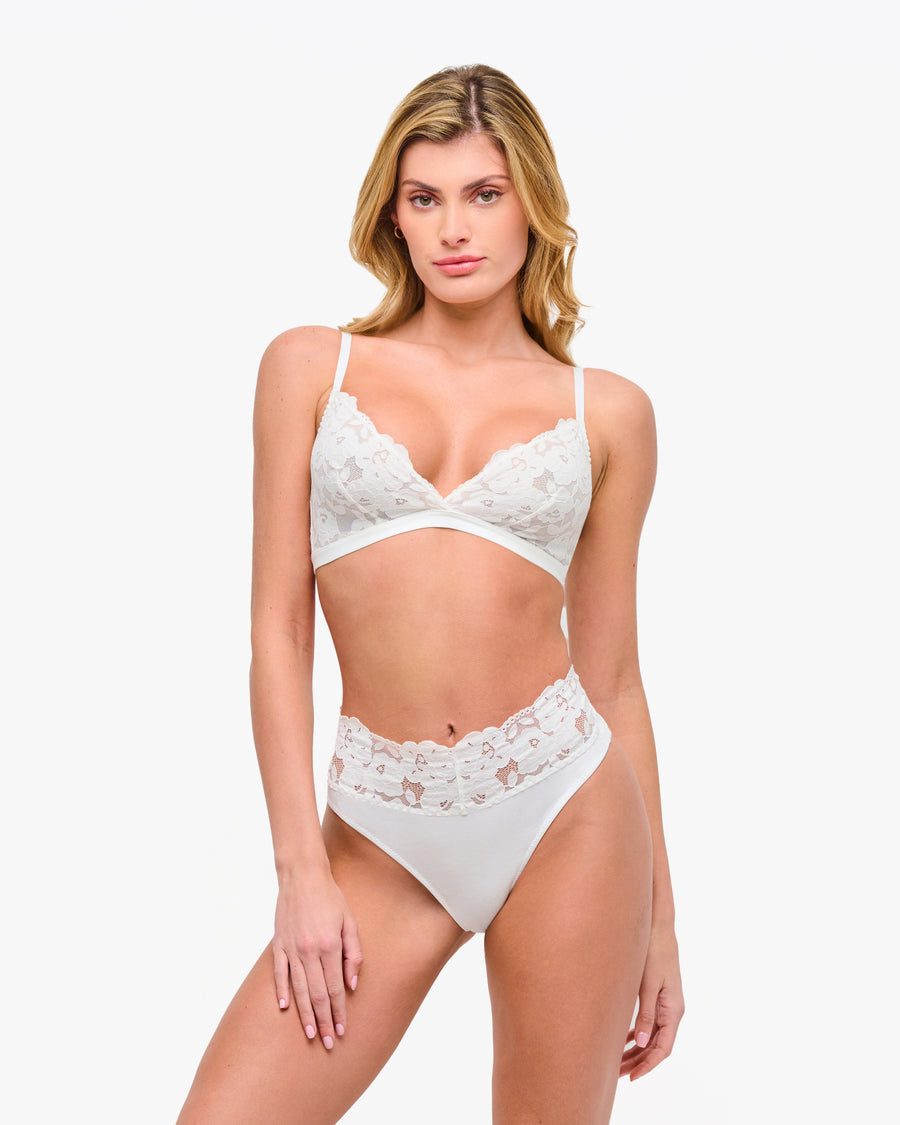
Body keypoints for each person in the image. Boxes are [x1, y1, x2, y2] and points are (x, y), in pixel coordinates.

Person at [178, 63, 683, 1124]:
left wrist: (661, 925)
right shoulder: (312, 368)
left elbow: (615, 679)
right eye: (425, 197)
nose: (455, 227)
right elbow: (277, 632)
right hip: (377, 834)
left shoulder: (608, 413)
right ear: (393, 215)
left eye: (485, 194)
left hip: (569, 813)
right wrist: (299, 871)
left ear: (533, 206)